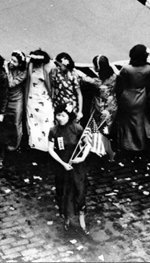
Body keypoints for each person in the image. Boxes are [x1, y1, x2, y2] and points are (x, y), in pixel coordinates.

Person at [48, 104, 92, 233]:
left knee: (79, 191)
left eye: (63, 115)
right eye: (58, 115)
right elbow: (51, 149)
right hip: (62, 167)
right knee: (64, 192)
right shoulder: (53, 130)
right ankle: (67, 218)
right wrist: (62, 163)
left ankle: (81, 218)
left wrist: (82, 158)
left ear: (69, 116)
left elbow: (87, 144)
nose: (60, 118)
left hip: (77, 167)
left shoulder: (77, 128)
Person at [115, 44, 150, 153]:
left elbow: (121, 81)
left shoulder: (127, 69)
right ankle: (139, 143)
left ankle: (126, 143)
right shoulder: (148, 68)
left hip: (127, 96)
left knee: (126, 121)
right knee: (138, 120)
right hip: (141, 95)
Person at [79, 55, 117, 160]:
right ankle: (110, 153)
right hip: (112, 107)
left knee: (96, 130)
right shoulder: (114, 77)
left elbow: (84, 79)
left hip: (99, 109)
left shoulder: (96, 82)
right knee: (106, 131)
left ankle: (98, 149)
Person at [25, 49, 56, 152]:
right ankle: (35, 145)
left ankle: (48, 146)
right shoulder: (30, 65)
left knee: (46, 121)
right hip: (32, 98)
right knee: (33, 122)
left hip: (44, 97)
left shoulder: (47, 66)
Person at [2, 51, 28, 152]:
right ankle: (7, 143)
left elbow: (11, 84)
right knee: (7, 123)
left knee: (16, 124)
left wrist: (6, 70)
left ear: (20, 64)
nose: (11, 62)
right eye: (11, 59)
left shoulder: (23, 72)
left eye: (14, 61)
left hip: (17, 100)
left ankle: (16, 146)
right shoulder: (7, 65)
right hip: (6, 99)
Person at [50, 52, 83, 121]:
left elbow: (79, 94)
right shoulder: (56, 72)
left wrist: (80, 111)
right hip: (59, 105)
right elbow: (53, 87)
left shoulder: (73, 75)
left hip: (71, 106)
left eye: (60, 65)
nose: (58, 67)